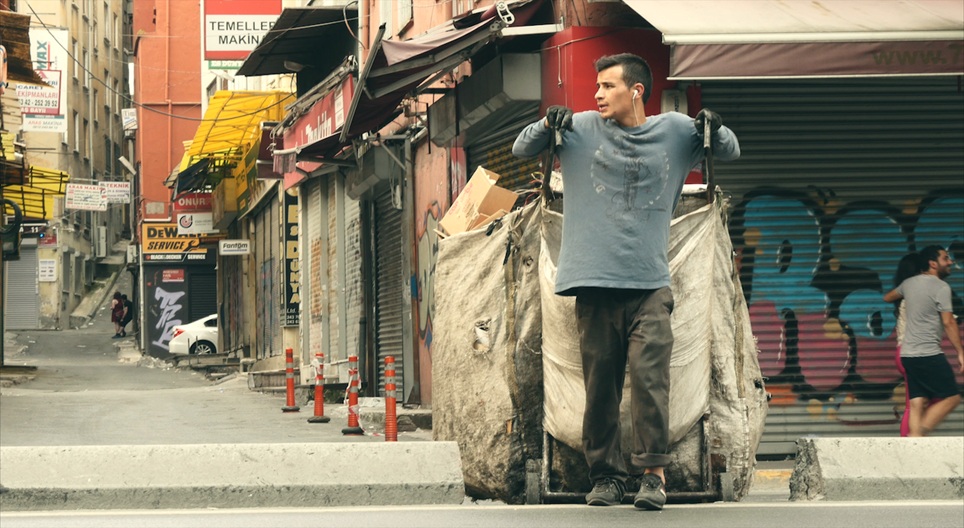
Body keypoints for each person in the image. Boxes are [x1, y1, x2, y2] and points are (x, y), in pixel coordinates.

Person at [512, 53, 740, 510]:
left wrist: (715, 126)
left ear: (636, 91)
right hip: (593, 285)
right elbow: (522, 147)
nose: (597, 94)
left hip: (649, 285)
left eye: (608, 86)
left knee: (651, 381)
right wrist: (547, 123)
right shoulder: (578, 127)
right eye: (596, 86)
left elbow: (729, 150)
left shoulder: (675, 131)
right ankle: (606, 477)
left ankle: (653, 477)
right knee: (601, 389)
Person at [883, 245, 963, 437]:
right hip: (928, 354)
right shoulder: (941, 287)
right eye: (945, 258)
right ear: (933, 263)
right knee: (952, 398)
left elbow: (888, 297)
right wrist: (961, 352)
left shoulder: (908, 284)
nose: (950, 262)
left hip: (908, 354)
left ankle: (913, 446)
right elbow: (948, 322)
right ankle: (916, 437)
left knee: (916, 403)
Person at [890, 252, 925, 436]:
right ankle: (909, 443)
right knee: (914, 406)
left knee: (914, 405)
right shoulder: (913, 298)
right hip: (911, 353)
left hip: (905, 352)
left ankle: (913, 439)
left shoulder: (905, 296)